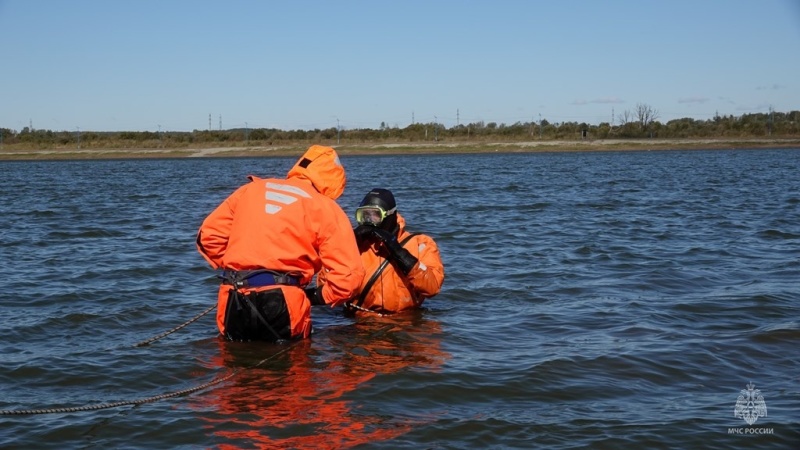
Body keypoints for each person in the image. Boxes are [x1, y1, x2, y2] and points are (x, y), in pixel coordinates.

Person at [196, 144, 365, 341]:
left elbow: (208, 237)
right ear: (335, 180)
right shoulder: (326, 208)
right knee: (292, 368)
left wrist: (242, 267)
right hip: (285, 301)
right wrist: (315, 297)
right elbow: (347, 279)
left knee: (234, 362)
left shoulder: (250, 190)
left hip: (234, 294)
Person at [343, 188, 445, 314]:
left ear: (390, 216)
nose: (369, 221)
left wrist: (396, 249)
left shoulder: (421, 243)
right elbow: (326, 284)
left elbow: (432, 288)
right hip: (359, 321)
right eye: (364, 216)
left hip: (403, 323)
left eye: (375, 216)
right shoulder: (356, 245)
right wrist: (347, 244)